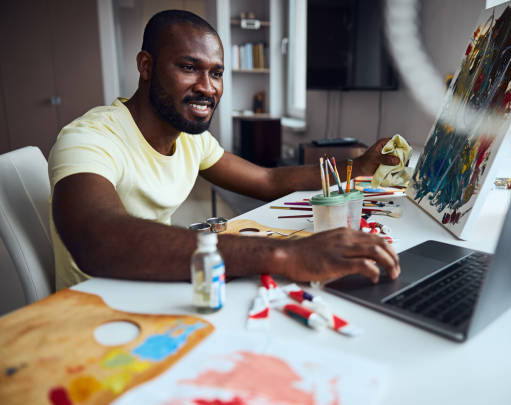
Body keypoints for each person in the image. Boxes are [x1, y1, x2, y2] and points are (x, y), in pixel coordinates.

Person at [49, 10, 401, 291]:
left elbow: (265, 179)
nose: (207, 87)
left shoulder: (190, 137)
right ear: (146, 66)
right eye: (189, 68)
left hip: (155, 285)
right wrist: (284, 253)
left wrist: (355, 168)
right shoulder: (90, 137)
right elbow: (97, 238)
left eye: (216, 73)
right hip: (99, 306)